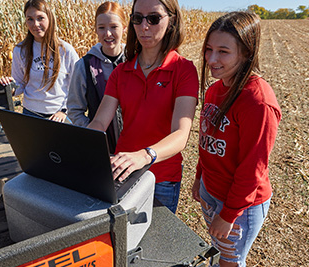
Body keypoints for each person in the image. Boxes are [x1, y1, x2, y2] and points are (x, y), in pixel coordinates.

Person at [88, 0, 199, 213]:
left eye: (154, 18)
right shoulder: (121, 72)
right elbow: (100, 121)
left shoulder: (183, 70)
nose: (144, 27)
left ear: (172, 21)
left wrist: (144, 155)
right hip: (123, 173)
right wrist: (79, 147)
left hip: (162, 177)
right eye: (138, 19)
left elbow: (181, 133)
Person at [191, 12, 282, 267]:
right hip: (212, 190)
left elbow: (253, 168)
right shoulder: (215, 89)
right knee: (218, 254)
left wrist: (229, 214)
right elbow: (206, 137)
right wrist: (200, 176)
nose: (211, 59)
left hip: (239, 206)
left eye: (223, 51)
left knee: (230, 262)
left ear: (246, 52)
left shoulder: (257, 102)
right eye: (209, 49)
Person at [0, 0, 79, 123]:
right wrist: (8, 86)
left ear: (50, 18)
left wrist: (64, 111)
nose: (35, 24)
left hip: (59, 115)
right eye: (30, 19)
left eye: (40, 18)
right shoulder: (20, 50)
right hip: (31, 114)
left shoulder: (66, 50)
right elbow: (20, 84)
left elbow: (77, 86)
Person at [68, 2, 127, 153]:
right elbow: (75, 110)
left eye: (114, 27)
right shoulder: (84, 66)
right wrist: (91, 133)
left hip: (134, 147)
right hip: (101, 148)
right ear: (95, 29)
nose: (107, 33)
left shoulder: (136, 61)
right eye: (101, 28)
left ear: (124, 28)